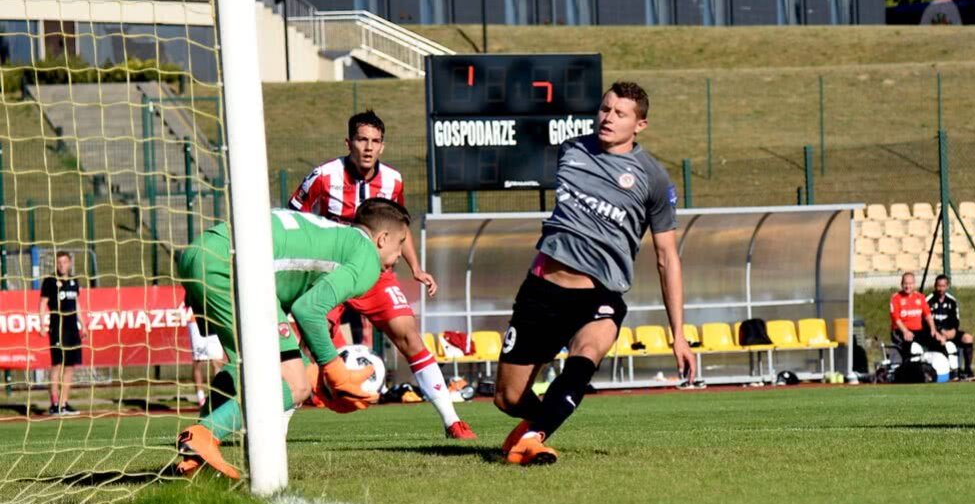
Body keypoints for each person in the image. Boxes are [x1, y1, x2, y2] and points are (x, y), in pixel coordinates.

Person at [494, 81, 697, 466]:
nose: (608, 118)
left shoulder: (653, 178)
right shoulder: (572, 150)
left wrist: (679, 335)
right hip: (542, 290)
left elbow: (667, 257)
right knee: (507, 397)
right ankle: (534, 428)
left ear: (641, 125)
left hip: (598, 295)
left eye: (620, 113)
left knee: (586, 353)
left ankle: (535, 437)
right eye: (605, 109)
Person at [175, 199, 408, 478]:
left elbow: (292, 298)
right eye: (401, 242)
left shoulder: (332, 234)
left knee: (241, 365)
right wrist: (334, 369)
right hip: (229, 265)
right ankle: (203, 435)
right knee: (295, 384)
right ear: (382, 239)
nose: (402, 253)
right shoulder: (367, 258)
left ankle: (191, 459)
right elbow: (308, 310)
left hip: (201, 252)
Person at [290, 110, 475, 440]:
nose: (368, 147)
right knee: (300, 343)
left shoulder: (393, 180)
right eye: (362, 139)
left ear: (383, 146)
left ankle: (452, 421)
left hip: (376, 273)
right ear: (348, 142)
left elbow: (398, 227)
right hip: (331, 271)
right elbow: (294, 219)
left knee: (409, 335)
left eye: (375, 141)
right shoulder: (323, 175)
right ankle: (277, 429)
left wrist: (416, 269)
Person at [39, 252, 87, 416]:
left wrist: (83, 325)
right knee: (57, 365)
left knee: (70, 367)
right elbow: (43, 304)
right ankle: (54, 403)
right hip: (58, 329)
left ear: (70, 263)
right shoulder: (50, 281)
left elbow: (77, 304)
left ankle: (64, 403)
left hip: (72, 329)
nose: (62, 265)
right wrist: (42, 324)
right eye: (59, 262)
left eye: (64, 262)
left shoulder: (74, 282)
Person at [927, 274, 975, 380]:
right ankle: (952, 371)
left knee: (968, 338)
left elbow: (956, 320)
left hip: (950, 332)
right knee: (943, 342)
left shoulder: (952, 301)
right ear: (935, 286)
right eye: (939, 286)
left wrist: (953, 331)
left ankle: (968, 370)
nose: (941, 289)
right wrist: (940, 332)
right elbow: (928, 321)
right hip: (935, 334)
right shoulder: (929, 300)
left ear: (947, 286)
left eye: (943, 286)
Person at [889, 271, 944, 362]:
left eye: (910, 284)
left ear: (914, 284)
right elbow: (896, 319)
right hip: (900, 331)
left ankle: (939, 369)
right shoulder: (896, 298)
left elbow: (927, 315)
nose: (908, 286)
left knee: (937, 342)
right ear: (901, 284)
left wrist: (933, 330)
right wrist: (905, 331)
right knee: (909, 345)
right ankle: (907, 369)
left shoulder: (920, 297)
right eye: (905, 283)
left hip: (918, 331)